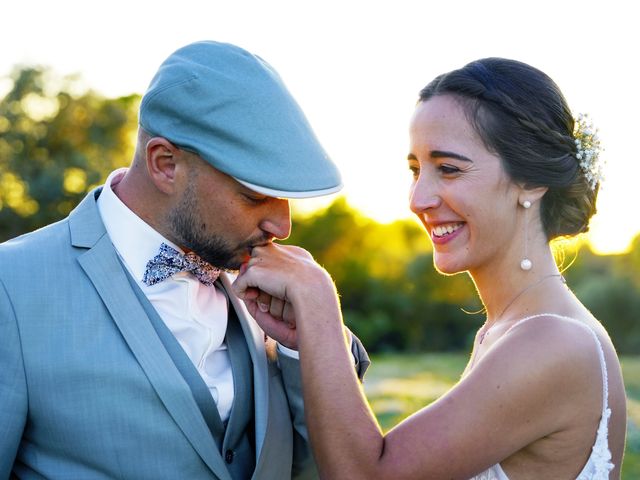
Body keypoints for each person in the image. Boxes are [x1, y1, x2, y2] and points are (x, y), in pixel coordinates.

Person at [233, 58, 627, 479]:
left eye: (449, 170)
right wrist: (309, 340)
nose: (418, 198)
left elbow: (366, 475)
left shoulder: (553, 342)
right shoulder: (513, 328)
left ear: (530, 181)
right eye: (416, 170)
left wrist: (317, 299)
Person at [0, 40, 368, 479]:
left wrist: (302, 344)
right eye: (254, 196)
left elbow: (319, 470)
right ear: (165, 163)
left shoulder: (272, 289)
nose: (282, 226)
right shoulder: (12, 287)